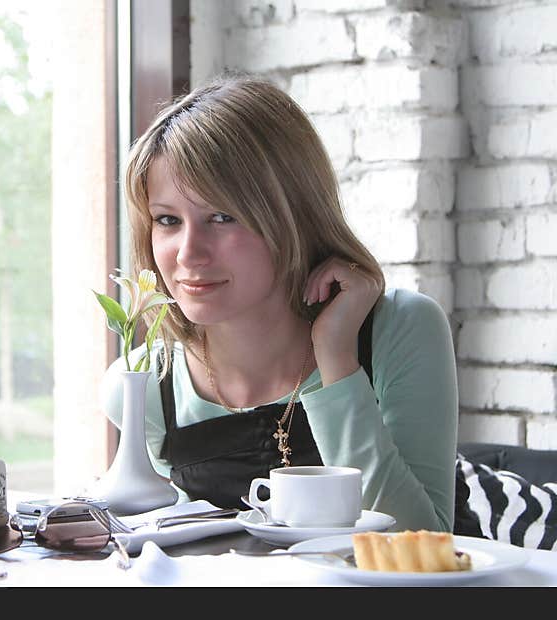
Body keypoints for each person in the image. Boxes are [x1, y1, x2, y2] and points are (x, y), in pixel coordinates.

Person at [101, 76, 458, 532]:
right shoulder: (144, 386)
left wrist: (337, 359)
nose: (188, 253)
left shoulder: (401, 328)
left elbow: (421, 542)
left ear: (295, 213)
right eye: (168, 220)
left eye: (222, 217)